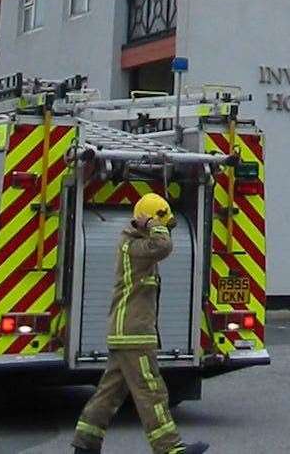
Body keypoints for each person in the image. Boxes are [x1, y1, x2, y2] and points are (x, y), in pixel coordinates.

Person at [72, 193, 208, 454]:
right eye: (162, 225)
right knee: (151, 391)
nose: (165, 231)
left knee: (109, 393)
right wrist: (152, 224)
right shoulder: (134, 247)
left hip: (127, 333)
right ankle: (170, 449)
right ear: (147, 222)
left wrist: (154, 225)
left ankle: (85, 445)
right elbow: (164, 246)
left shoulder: (133, 245)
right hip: (133, 334)